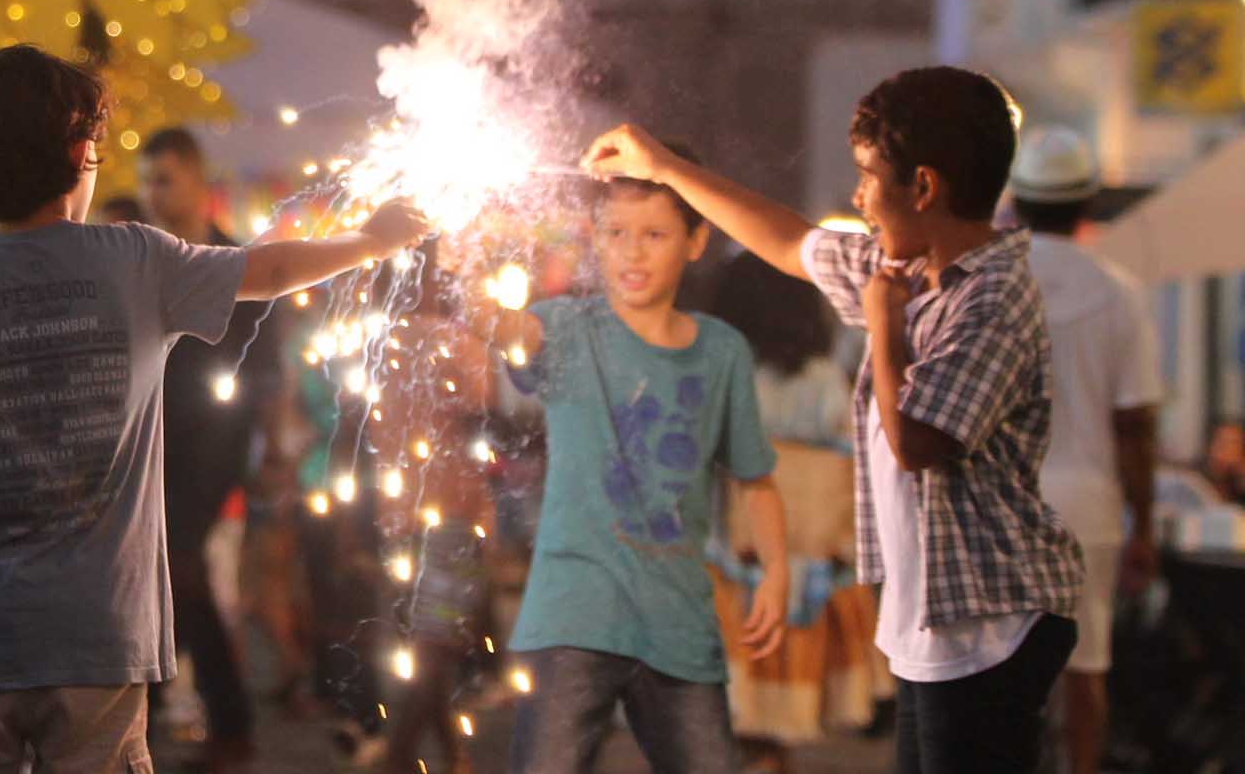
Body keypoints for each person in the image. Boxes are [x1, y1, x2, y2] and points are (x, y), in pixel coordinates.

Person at [0, 43, 428, 774]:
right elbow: (270, 270)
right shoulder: (135, 261)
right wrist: (373, 240)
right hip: (100, 632)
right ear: (83, 153)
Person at [586, 65, 1085, 774]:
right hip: (935, 620)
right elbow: (790, 242)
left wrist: (882, 329)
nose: (858, 198)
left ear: (924, 187)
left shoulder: (991, 298)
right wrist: (664, 170)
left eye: (868, 176)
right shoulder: (908, 268)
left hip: (993, 622)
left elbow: (918, 441)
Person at [463, 154, 788, 774]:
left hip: (679, 619)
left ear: (697, 240)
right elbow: (501, 326)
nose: (631, 253)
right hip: (573, 613)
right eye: (614, 233)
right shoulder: (563, 327)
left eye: (654, 234)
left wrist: (775, 571)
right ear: (593, 238)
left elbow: (755, 478)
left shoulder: (722, 351)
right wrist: (466, 265)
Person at [1009, 126, 1162, 774]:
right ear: (1088, 204)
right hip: (1089, 507)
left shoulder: (992, 282)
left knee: (1004, 672)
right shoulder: (1120, 293)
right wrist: (1144, 527)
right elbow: (1135, 424)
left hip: (1003, 506)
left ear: (1015, 202)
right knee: (1085, 667)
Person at [706, 254, 883, 772]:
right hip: (810, 573)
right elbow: (849, 473)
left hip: (732, 568)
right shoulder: (828, 379)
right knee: (771, 729)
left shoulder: (729, 376)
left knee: (743, 724)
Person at [138, 125, 264, 772]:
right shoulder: (144, 262)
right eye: (146, 182)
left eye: (163, 180)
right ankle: (157, 714)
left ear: (195, 178)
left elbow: (260, 366)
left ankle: (228, 720)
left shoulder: (235, 261)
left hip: (211, 449)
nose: (153, 195)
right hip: (150, 450)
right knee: (156, 582)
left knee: (183, 573)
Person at [376, 263, 498, 774]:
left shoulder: (381, 343)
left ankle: (409, 755)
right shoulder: (452, 343)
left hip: (424, 515)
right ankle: (435, 756)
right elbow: (485, 398)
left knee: (429, 643)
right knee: (432, 643)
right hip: (442, 514)